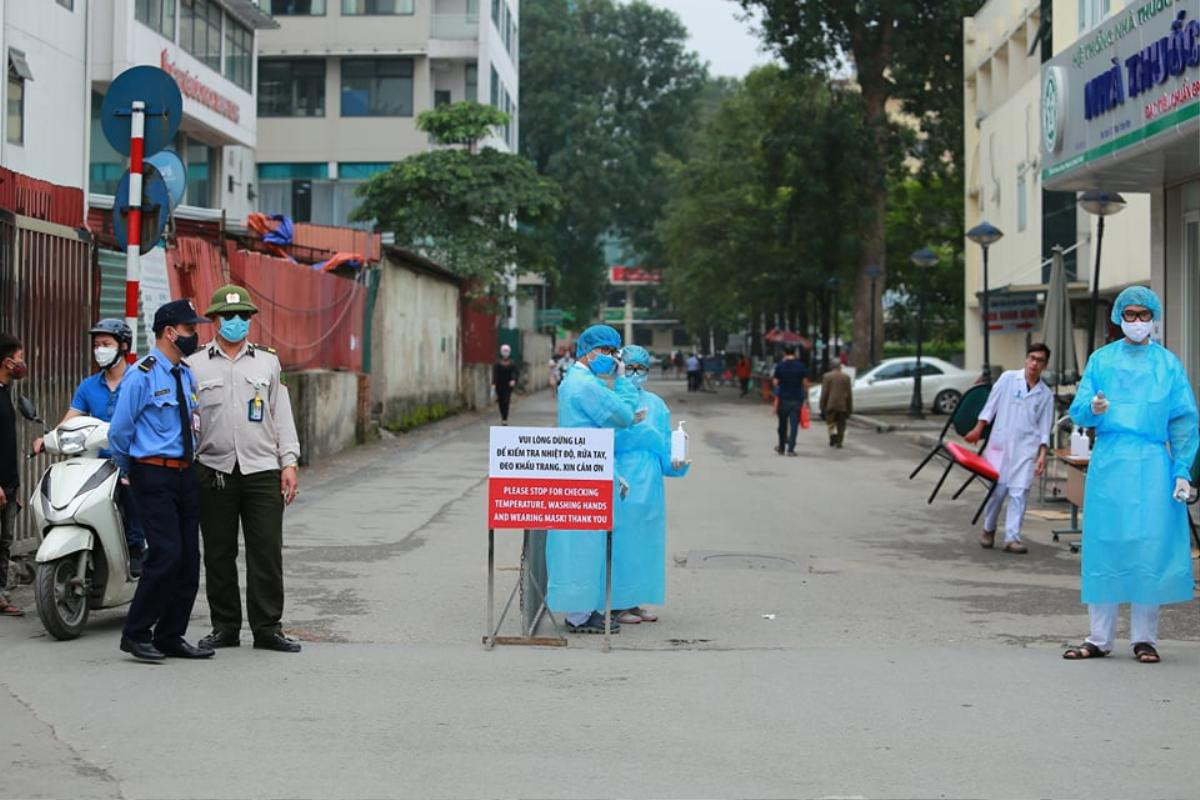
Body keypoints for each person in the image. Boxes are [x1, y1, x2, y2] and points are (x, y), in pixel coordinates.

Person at [1062, 287, 1198, 664]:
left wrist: (1182, 471)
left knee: (1148, 546)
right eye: (1131, 314)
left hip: (1153, 462)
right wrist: (1093, 406)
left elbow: (1184, 421)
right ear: (1119, 317)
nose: (1137, 322)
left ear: (1154, 318)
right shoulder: (1101, 360)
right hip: (1110, 461)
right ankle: (1098, 637)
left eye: (1143, 315)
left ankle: (1144, 639)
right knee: (1106, 543)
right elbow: (1078, 411)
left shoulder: (1168, 365)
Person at [190, 285, 303, 654]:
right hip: (214, 468)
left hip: (261, 469)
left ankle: (268, 627)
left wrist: (289, 461)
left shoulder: (267, 361)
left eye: (243, 316)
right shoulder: (195, 365)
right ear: (214, 319)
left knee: (266, 551)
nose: (236, 322)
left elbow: (280, 414)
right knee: (219, 553)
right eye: (228, 316)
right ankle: (225, 626)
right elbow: (189, 421)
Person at [108, 300, 213, 663]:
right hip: (152, 473)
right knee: (166, 555)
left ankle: (171, 634)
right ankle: (136, 633)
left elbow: (194, 422)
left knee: (188, 559)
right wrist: (129, 470)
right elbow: (120, 431)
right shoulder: (142, 374)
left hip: (186, 472)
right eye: (189, 329)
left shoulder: (186, 373)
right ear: (170, 332)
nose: (195, 336)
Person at [545, 324, 643, 634]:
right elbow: (623, 415)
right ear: (591, 352)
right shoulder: (585, 385)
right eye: (610, 352)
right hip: (586, 472)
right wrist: (624, 381)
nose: (613, 359)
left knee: (581, 540)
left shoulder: (575, 380)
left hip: (585, 466)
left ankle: (583, 608)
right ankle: (580, 614)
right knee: (585, 541)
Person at [32, 320, 147, 575]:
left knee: (128, 489)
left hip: (129, 461)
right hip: (94, 462)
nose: (99, 350)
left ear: (123, 346)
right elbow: (72, 417)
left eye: (106, 344)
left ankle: (136, 546)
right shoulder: (88, 385)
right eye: (96, 345)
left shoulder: (137, 380)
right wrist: (49, 437)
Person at [610, 346, 690, 626]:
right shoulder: (613, 401)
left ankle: (635, 600)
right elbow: (609, 440)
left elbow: (666, 445)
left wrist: (676, 461)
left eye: (640, 369)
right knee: (621, 541)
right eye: (629, 368)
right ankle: (616, 603)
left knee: (646, 543)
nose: (635, 374)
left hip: (651, 481)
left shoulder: (657, 405)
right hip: (622, 478)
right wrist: (639, 432)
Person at [963, 343, 1054, 554]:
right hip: (1000, 445)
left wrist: (1042, 455)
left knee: (1019, 492)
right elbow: (990, 406)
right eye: (1031, 358)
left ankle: (1012, 537)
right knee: (997, 490)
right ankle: (988, 529)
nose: (1034, 363)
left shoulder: (1045, 394)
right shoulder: (1008, 379)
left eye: (1039, 360)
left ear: (1045, 364)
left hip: (1026, 448)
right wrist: (978, 429)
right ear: (1026, 359)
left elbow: (1044, 428)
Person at [0, 333, 27, 617]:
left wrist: (13, 488)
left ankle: (0, 594)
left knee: (5, 542)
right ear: (7, 362)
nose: (22, 363)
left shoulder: (6, 392)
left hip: (9, 484)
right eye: (19, 358)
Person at [772, 345, 810, 456]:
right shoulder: (801, 366)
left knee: (782, 425)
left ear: (784, 353)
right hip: (796, 399)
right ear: (795, 353)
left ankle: (781, 447)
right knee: (794, 425)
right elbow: (805, 383)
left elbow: (775, 382)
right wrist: (805, 395)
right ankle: (791, 450)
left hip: (783, 399)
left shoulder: (780, 366)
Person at [819, 361, 853, 449]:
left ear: (831, 366)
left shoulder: (826, 376)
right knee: (841, 424)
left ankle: (832, 437)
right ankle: (839, 442)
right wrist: (849, 408)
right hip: (842, 404)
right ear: (840, 367)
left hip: (830, 404)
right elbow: (849, 394)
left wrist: (822, 406)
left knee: (830, 423)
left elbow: (824, 393)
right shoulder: (846, 377)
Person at [492, 344, 518, 425]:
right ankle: (502, 414)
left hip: (508, 386)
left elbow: (516, 373)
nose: (505, 353)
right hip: (499, 385)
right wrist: (493, 384)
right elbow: (495, 374)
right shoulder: (497, 363)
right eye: (504, 351)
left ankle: (505, 418)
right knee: (500, 401)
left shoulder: (512, 363)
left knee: (506, 401)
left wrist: (514, 380)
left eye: (507, 351)